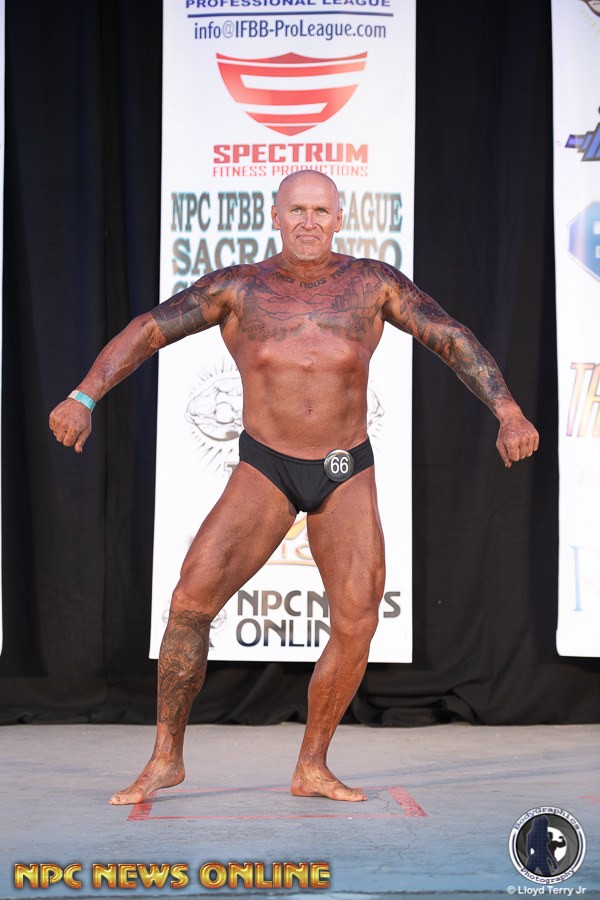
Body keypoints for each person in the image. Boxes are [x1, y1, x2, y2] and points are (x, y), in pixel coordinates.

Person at [49, 170, 539, 805]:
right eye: (298, 210)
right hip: (266, 468)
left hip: (344, 468)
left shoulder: (372, 283)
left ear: (339, 218)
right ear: (275, 216)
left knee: (357, 620)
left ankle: (312, 764)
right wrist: (84, 396)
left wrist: (507, 410)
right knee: (190, 602)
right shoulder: (238, 288)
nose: (309, 222)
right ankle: (166, 757)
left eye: (321, 211)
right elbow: (149, 330)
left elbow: (448, 336)